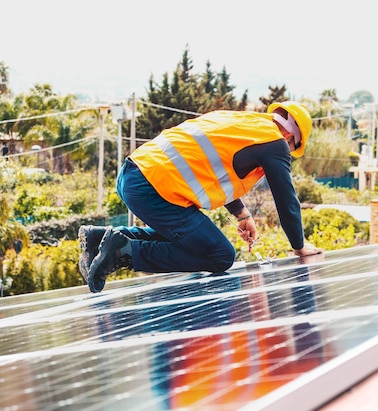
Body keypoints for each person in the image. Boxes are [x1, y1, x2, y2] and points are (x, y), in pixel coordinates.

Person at [79, 101, 323, 293]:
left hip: (133, 175)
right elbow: (286, 198)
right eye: (292, 150)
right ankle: (124, 252)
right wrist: (299, 246)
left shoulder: (239, 122)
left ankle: (99, 238)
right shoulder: (275, 143)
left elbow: (212, 166)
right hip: (155, 188)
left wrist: (241, 213)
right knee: (220, 254)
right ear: (292, 138)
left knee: (191, 241)